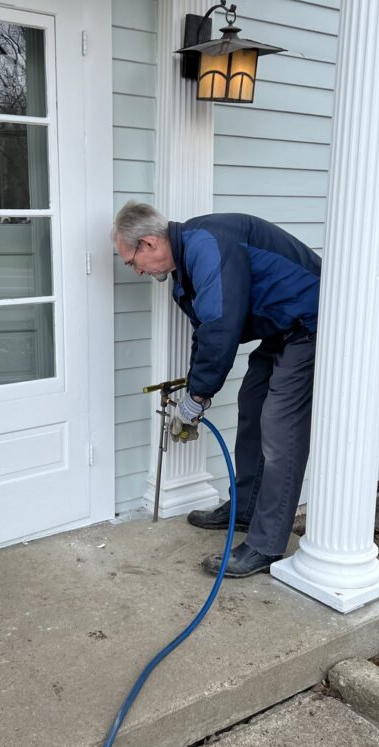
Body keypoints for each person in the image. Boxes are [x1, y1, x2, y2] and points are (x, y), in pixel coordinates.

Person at [112, 201, 322, 578]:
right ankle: (245, 509)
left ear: (148, 243)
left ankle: (266, 544)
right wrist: (197, 390)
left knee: (280, 427)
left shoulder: (206, 245)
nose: (138, 271)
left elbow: (221, 328)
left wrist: (196, 399)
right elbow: (206, 330)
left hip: (311, 322)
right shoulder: (188, 261)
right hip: (280, 327)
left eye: (132, 262)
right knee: (253, 404)